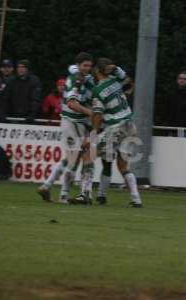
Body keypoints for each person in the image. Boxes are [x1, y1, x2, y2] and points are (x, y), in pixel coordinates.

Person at [38, 53, 96, 204]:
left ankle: (47, 185)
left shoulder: (85, 78)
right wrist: (90, 112)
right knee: (75, 158)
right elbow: (71, 103)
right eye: (84, 65)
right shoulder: (75, 80)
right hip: (72, 122)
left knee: (71, 158)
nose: (87, 68)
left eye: (89, 65)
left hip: (77, 123)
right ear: (78, 65)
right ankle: (63, 194)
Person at [91, 57, 142, 208]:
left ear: (97, 71)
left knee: (102, 158)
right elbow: (127, 79)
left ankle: (100, 195)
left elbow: (98, 114)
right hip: (130, 124)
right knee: (123, 165)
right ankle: (136, 199)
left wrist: (94, 132)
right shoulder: (115, 80)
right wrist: (116, 69)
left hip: (115, 127)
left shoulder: (98, 90)